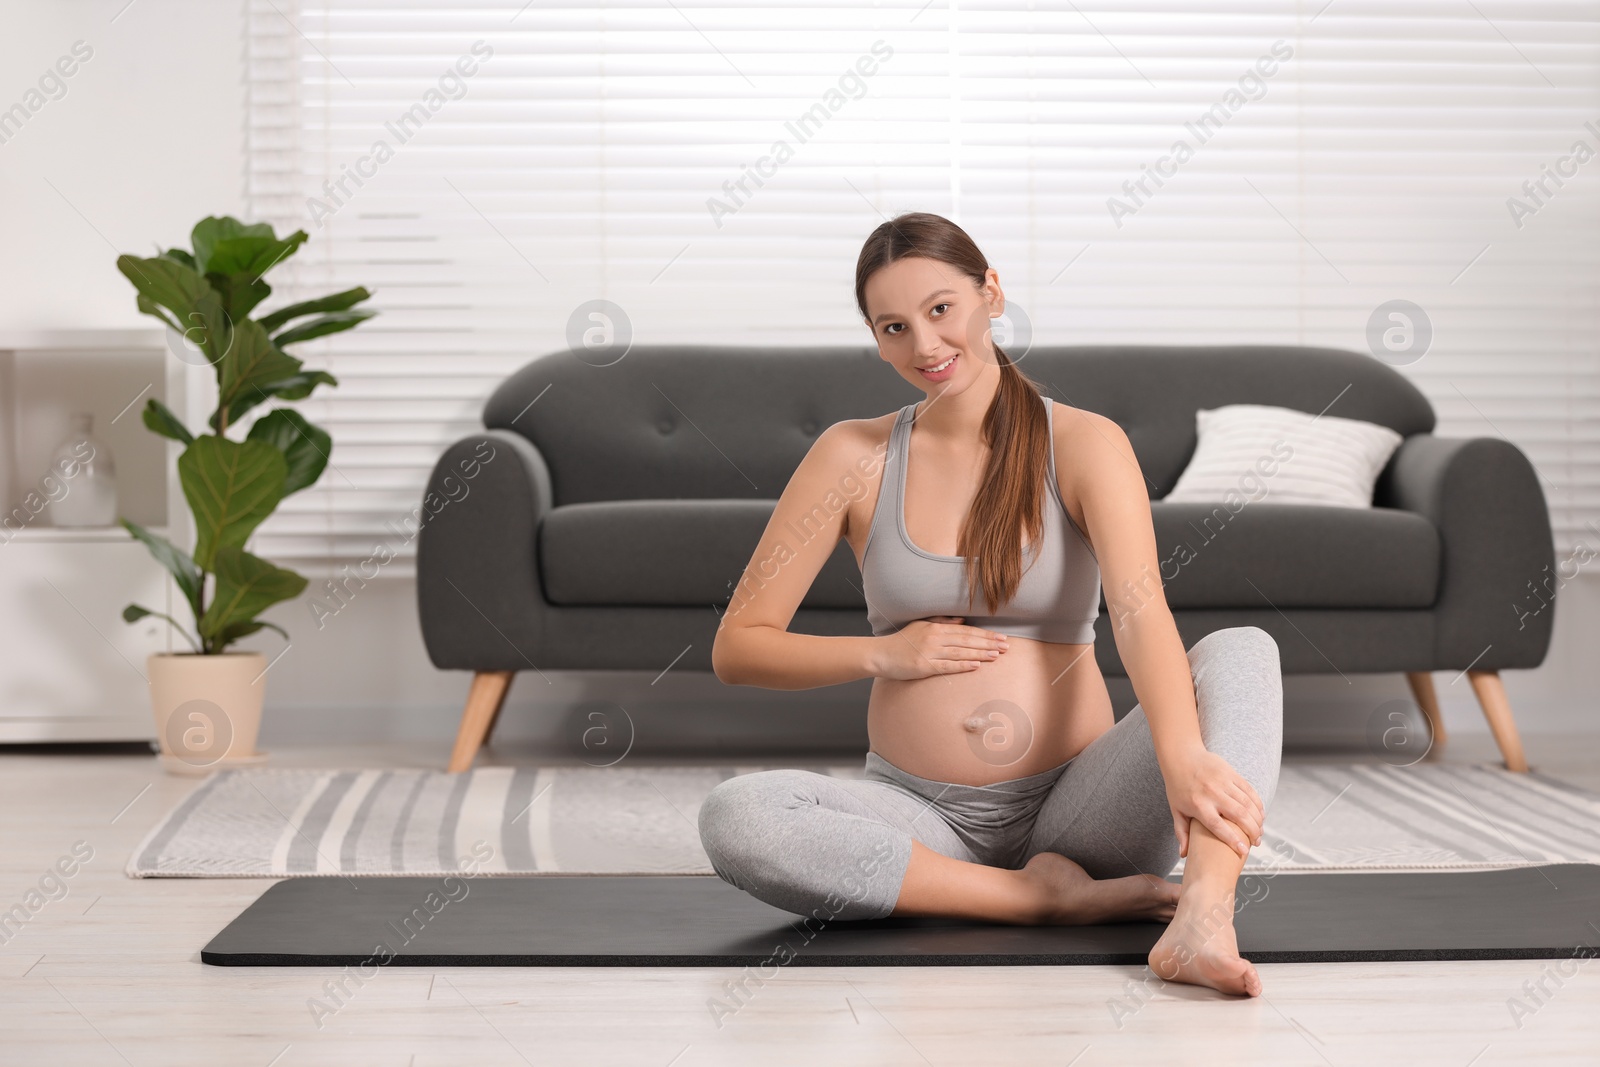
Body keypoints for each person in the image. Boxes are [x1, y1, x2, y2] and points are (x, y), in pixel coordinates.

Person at [700, 211, 1283, 997]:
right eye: (895, 327)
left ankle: (1205, 915)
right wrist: (887, 652)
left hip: (1082, 813)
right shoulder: (853, 455)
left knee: (1244, 648)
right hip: (917, 815)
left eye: (942, 310)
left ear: (991, 293)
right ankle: (1036, 900)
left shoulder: (1083, 442)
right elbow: (739, 647)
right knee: (739, 815)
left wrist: (1179, 757)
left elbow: (1141, 612)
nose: (926, 346)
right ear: (876, 340)